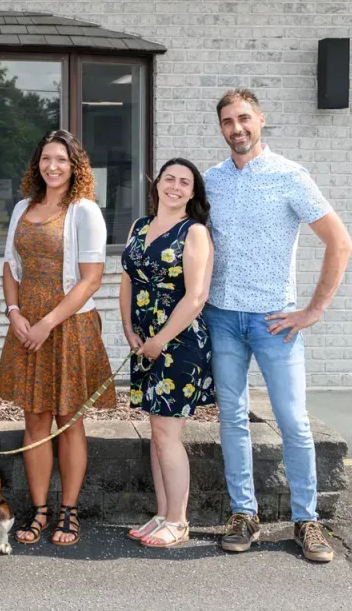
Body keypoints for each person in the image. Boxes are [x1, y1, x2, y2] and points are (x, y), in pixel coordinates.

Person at [204, 88, 352, 563]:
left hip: (276, 322)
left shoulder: (290, 176)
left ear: (261, 120)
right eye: (228, 121)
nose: (237, 128)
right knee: (232, 421)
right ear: (221, 127)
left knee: (293, 423)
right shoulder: (211, 181)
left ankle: (307, 521)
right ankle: (243, 515)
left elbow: (340, 242)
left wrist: (313, 310)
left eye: (244, 118)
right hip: (222, 318)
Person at [0, 130, 114, 546]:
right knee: (35, 419)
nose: (53, 166)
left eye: (61, 159)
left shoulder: (84, 211)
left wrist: (47, 322)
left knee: (69, 421)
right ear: (37, 163)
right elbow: (10, 266)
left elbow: (91, 280)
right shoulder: (23, 208)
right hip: (27, 328)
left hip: (69, 328)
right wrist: (14, 314)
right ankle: (41, 510)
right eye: (46, 158)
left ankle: (70, 511)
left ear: (74, 165)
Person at [120, 158, 214, 548]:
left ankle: (178, 520)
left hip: (179, 344)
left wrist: (160, 339)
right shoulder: (139, 227)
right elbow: (127, 279)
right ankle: (162, 513)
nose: (175, 187)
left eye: (184, 182)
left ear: (192, 193)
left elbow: (196, 297)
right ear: (157, 183)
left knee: (167, 431)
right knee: (158, 432)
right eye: (169, 179)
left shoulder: (194, 233)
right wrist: (128, 328)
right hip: (145, 343)